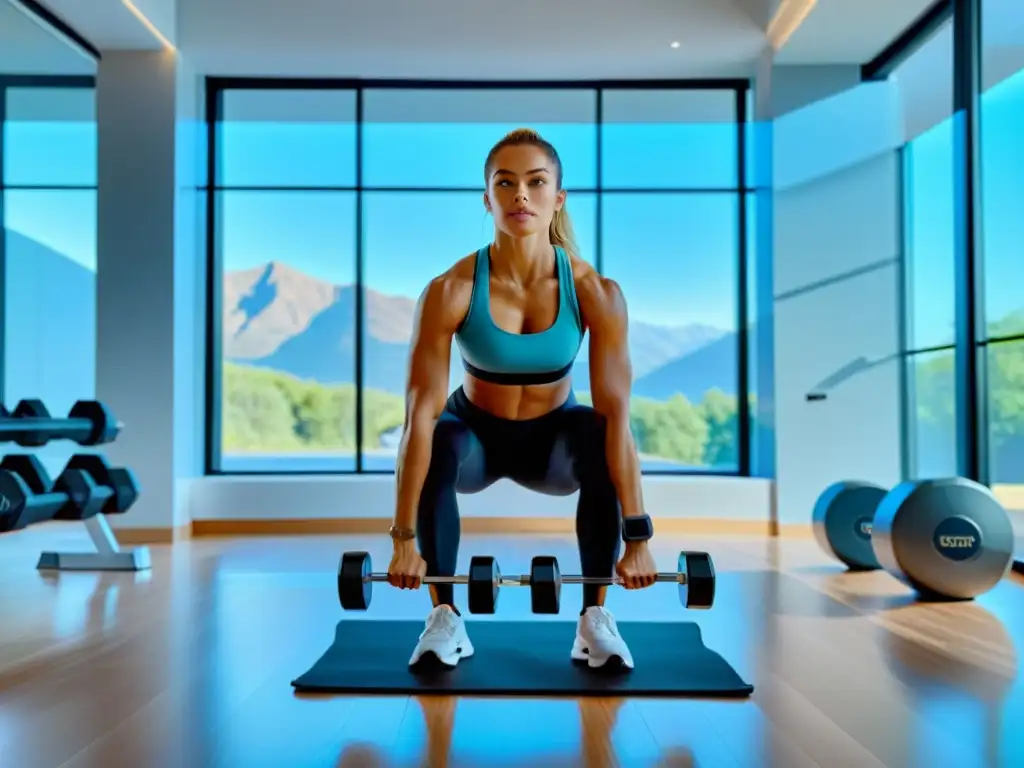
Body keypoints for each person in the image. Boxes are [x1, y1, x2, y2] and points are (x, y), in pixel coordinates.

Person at [387, 127, 659, 672]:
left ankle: (594, 620)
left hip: (552, 445)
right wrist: (401, 538)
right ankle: (444, 619)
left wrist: (638, 537)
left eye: (536, 183)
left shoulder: (594, 292)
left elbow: (618, 416)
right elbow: (418, 415)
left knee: (596, 429)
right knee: (440, 433)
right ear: (486, 198)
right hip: (474, 442)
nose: (520, 196)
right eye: (504, 183)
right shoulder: (451, 289)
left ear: (557, 197)